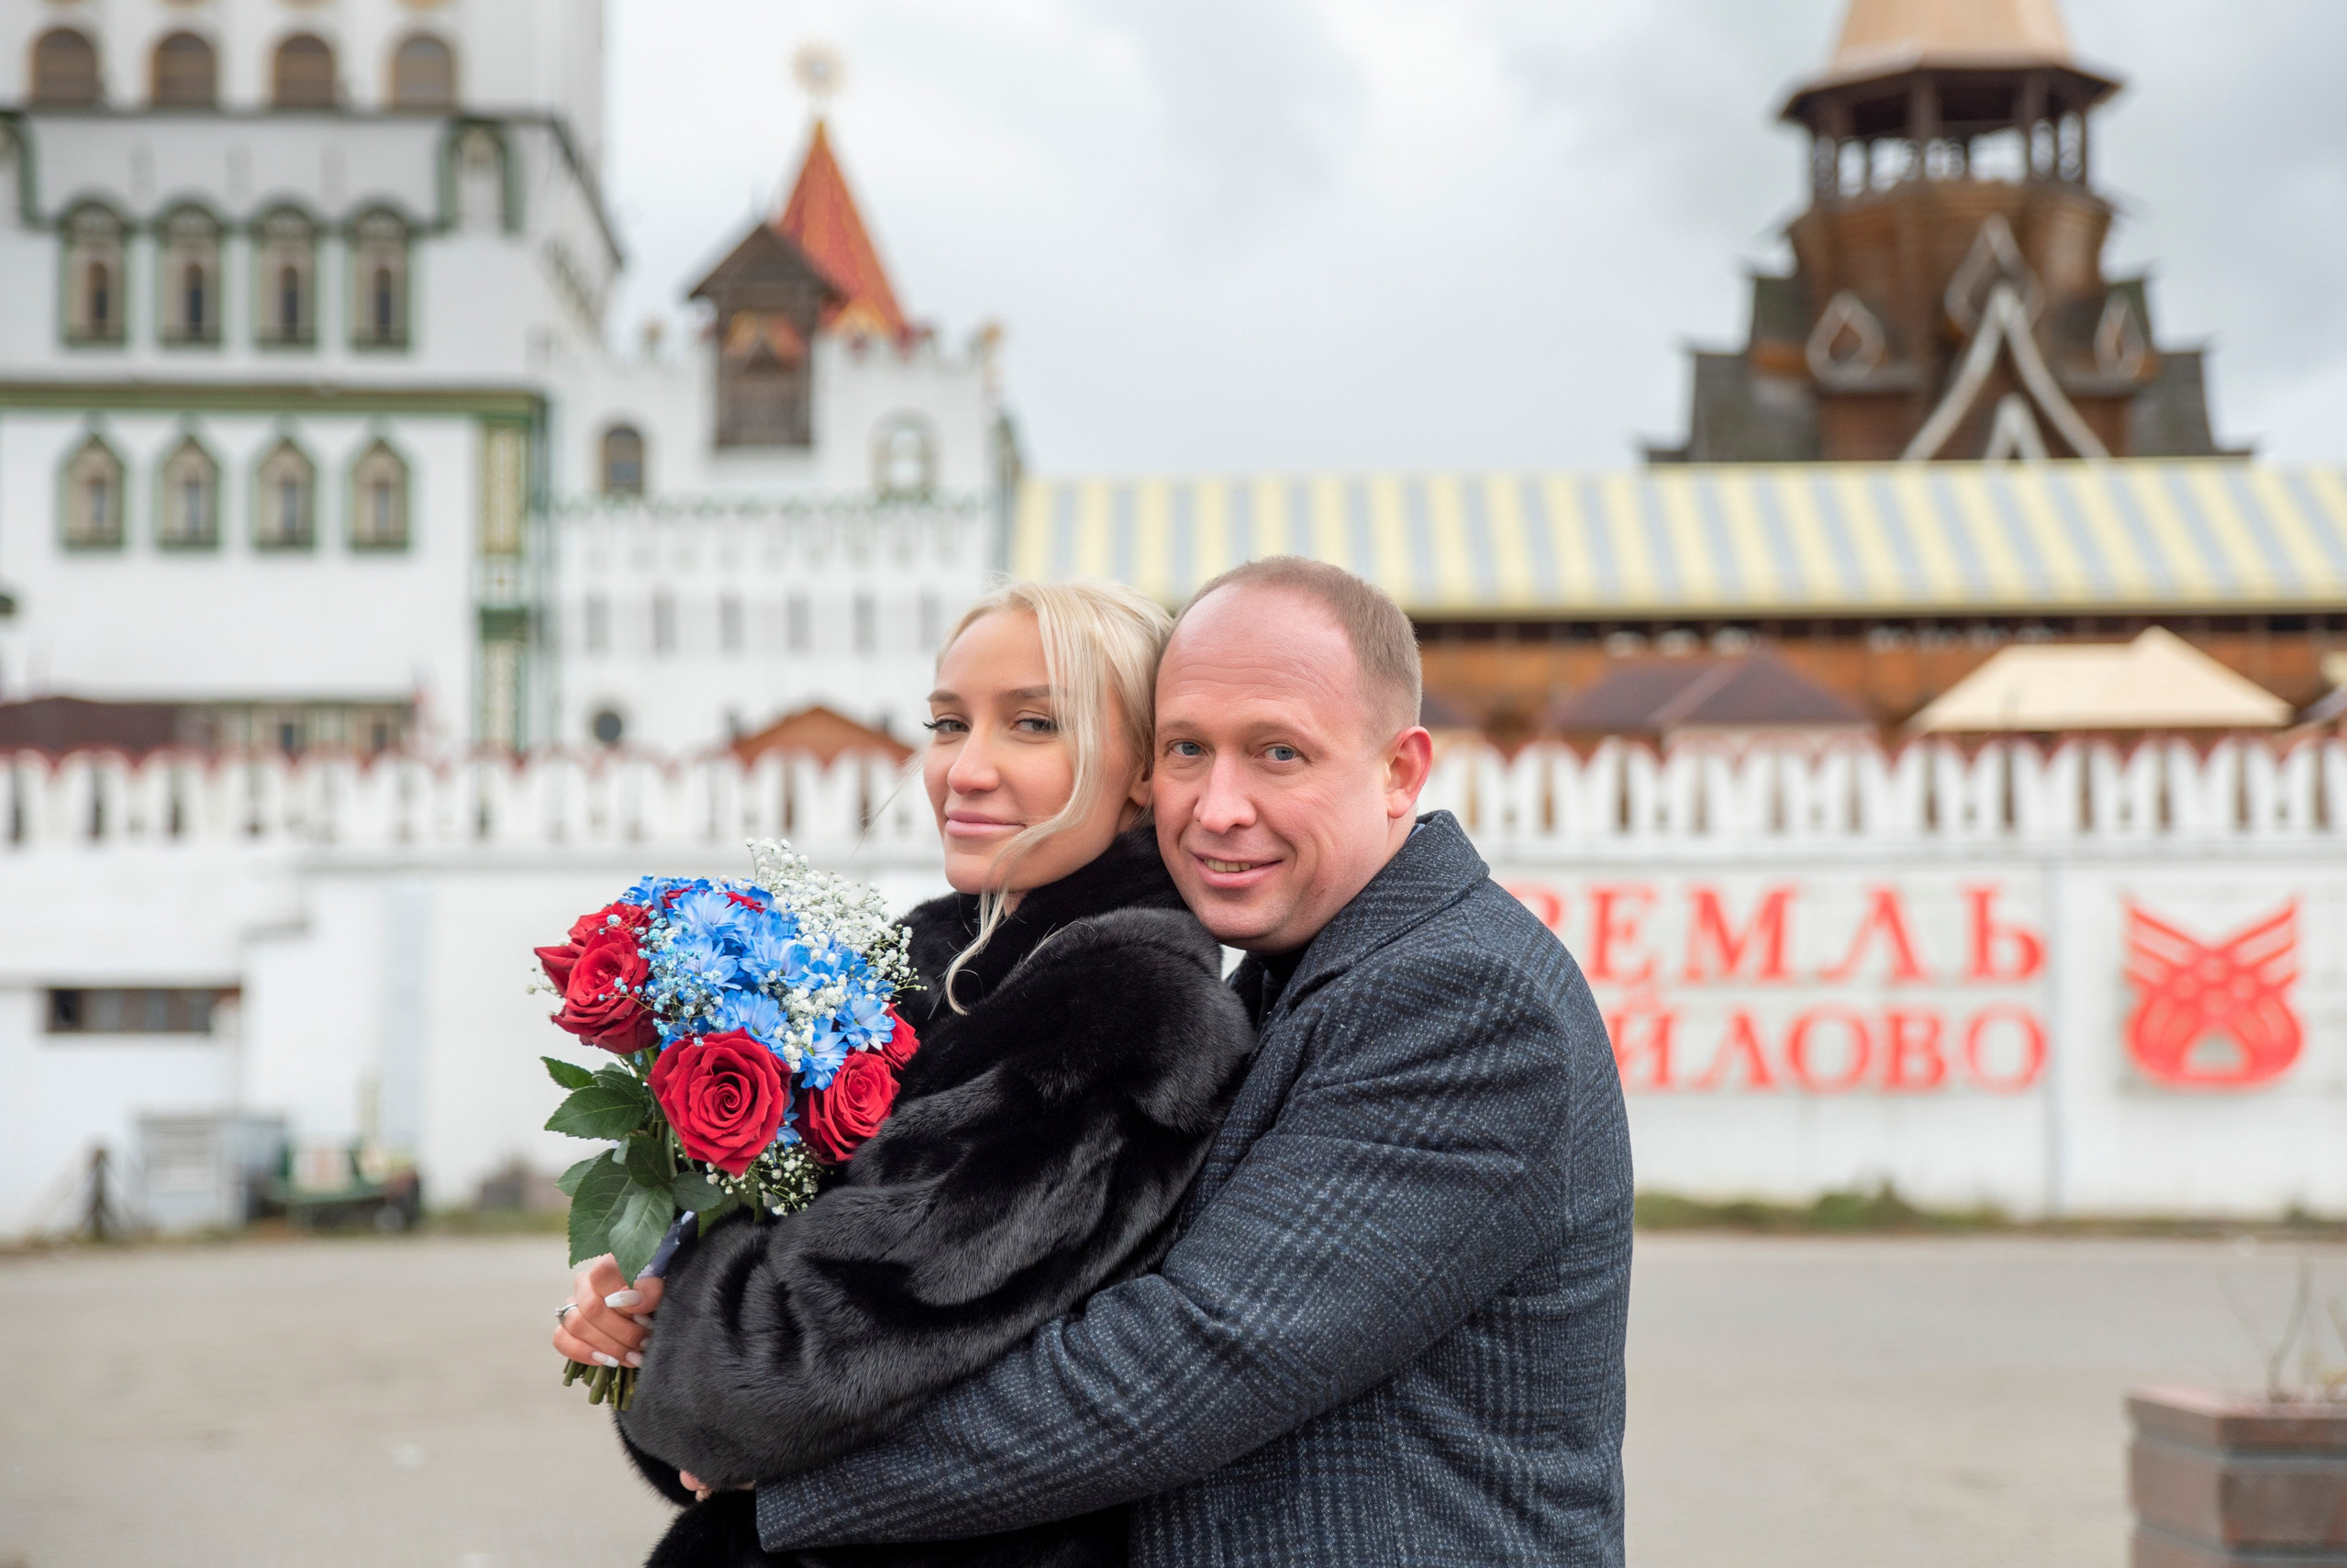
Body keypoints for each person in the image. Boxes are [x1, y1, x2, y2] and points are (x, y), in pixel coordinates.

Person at [609, 556, 1637, 1566]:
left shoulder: (1460, 994)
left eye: (1278, 752)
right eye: (1189, 749)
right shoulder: (1289, 976)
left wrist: (783, 1484)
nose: (1218, 806)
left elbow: (1198, 1352)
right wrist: (664, 1287)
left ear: (1399, 769)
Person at [553, 579, 1258, 1567]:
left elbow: (786, 1370)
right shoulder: (930, 963)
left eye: (1032, 724)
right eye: (946, 722)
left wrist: (678, 1327)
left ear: (1143, 769)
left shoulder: (1119, 1013)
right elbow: (721, 1422)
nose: (965, 768)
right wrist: (644, 1298)